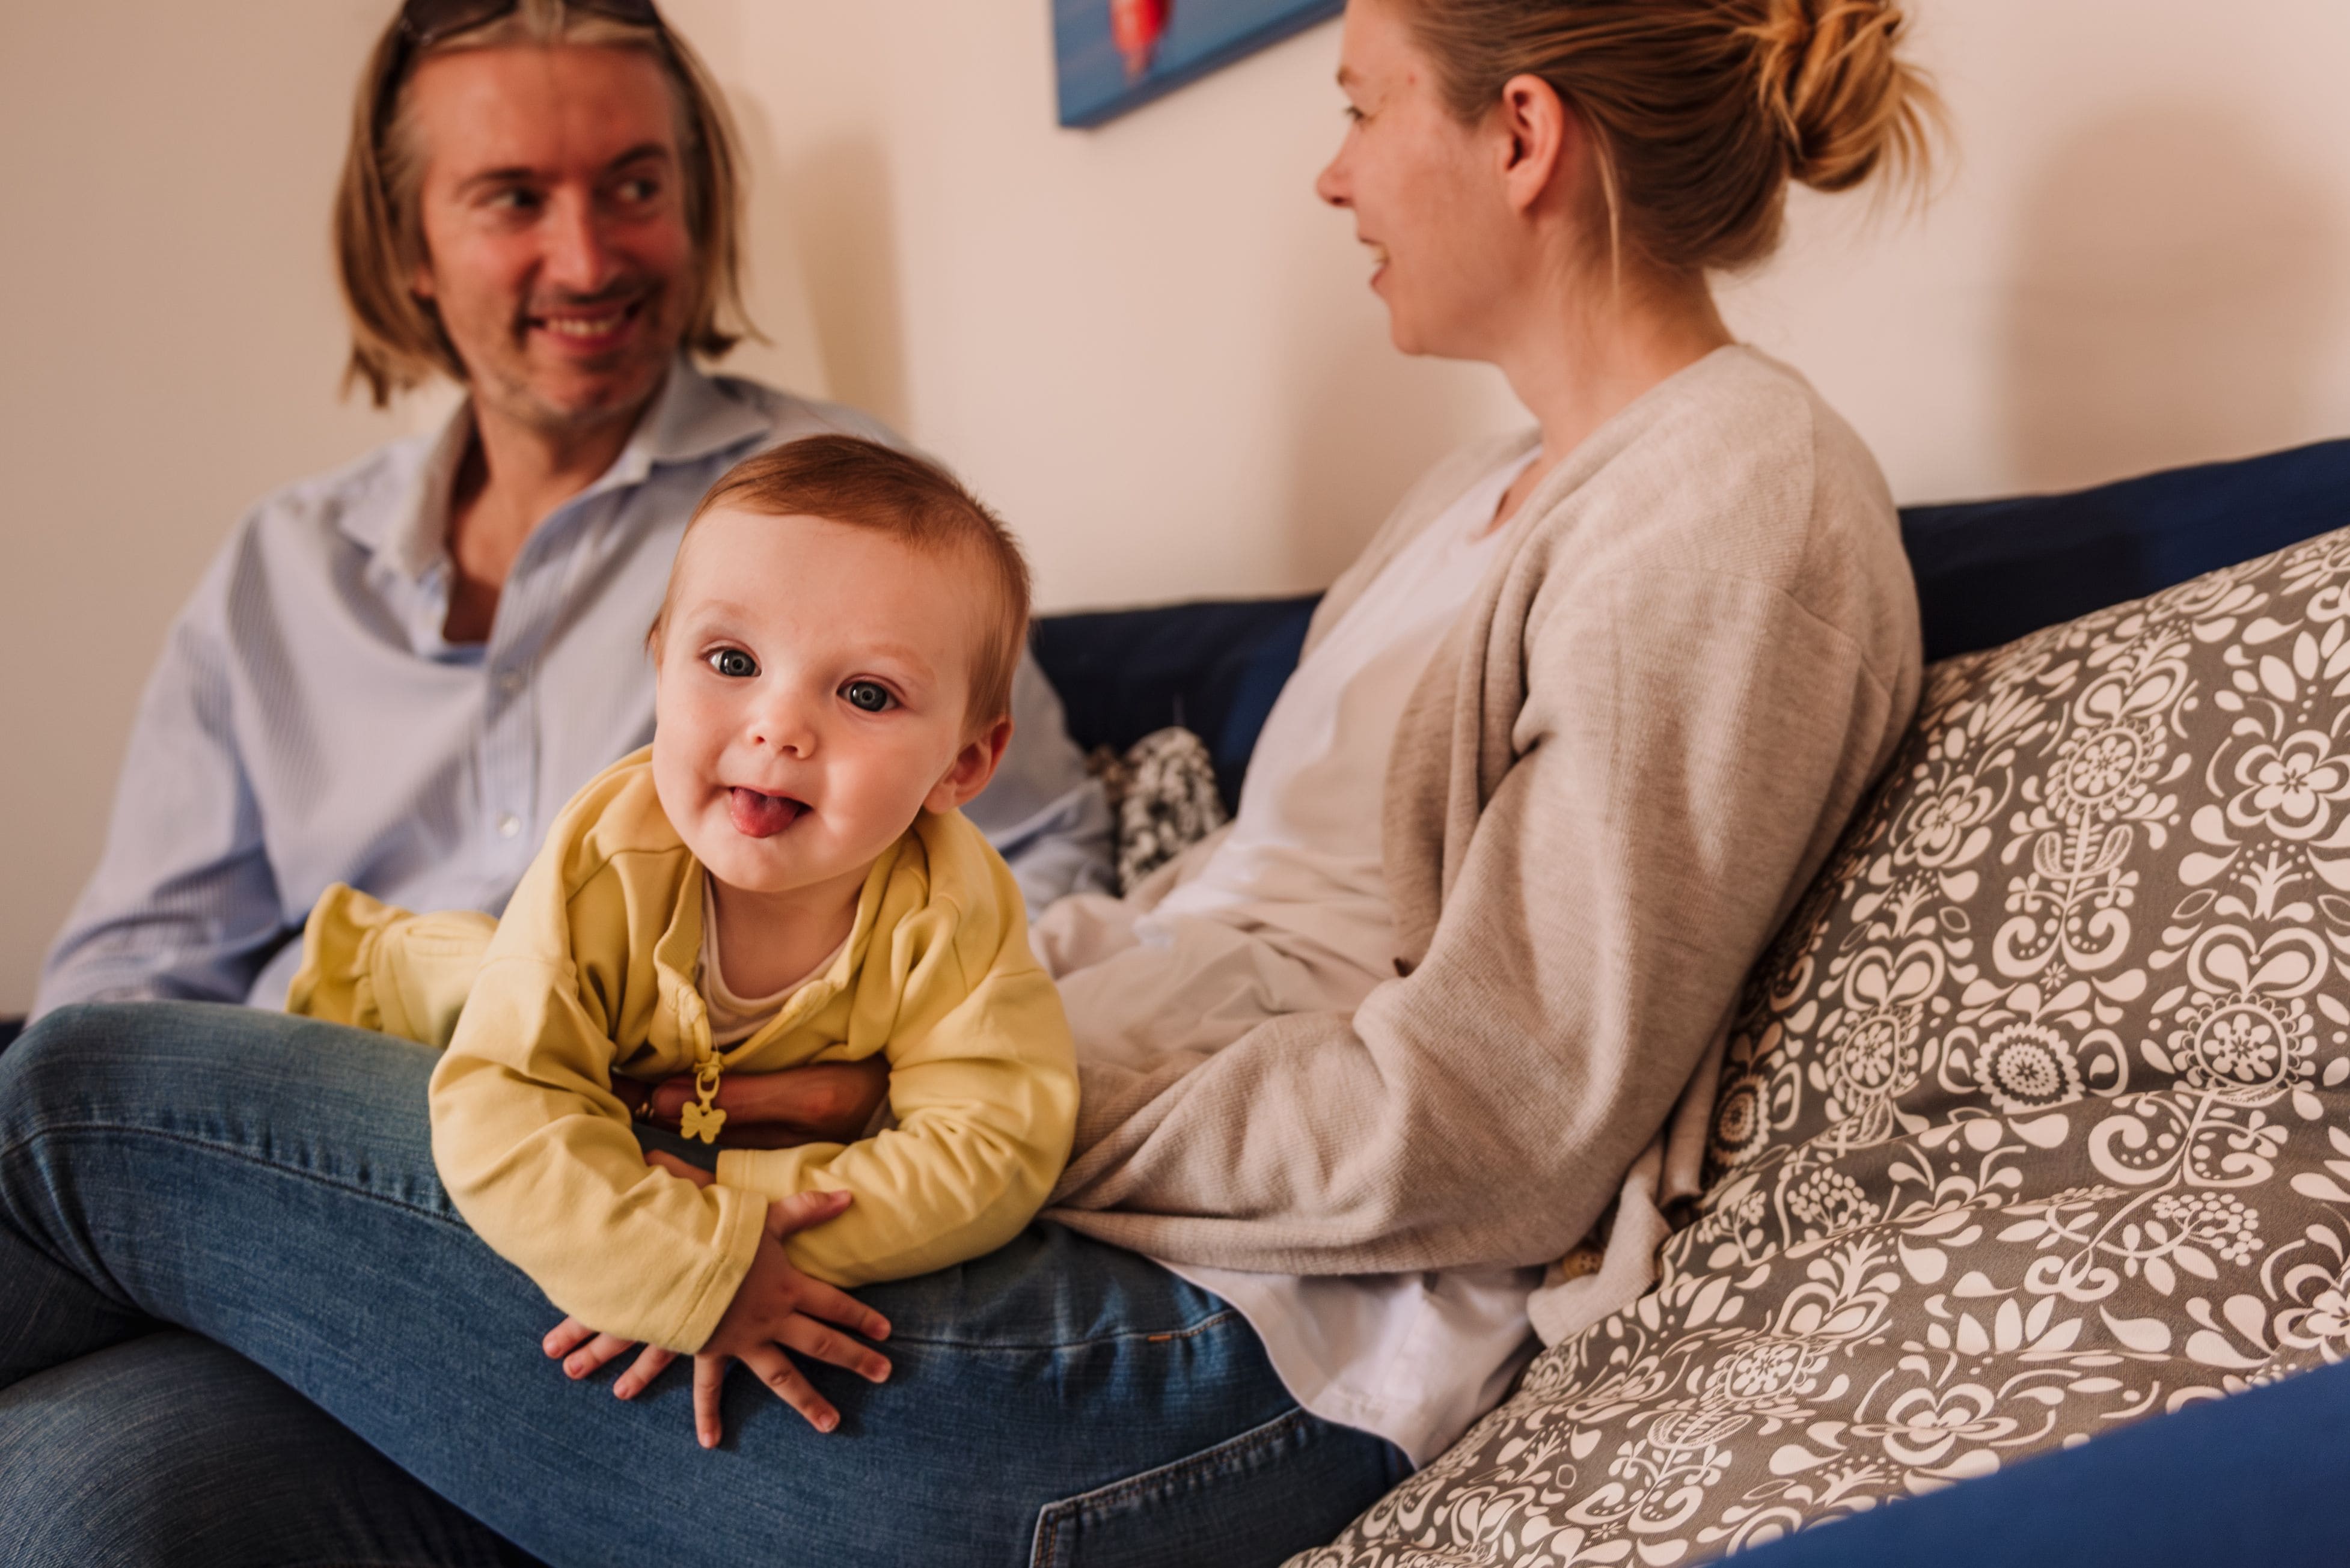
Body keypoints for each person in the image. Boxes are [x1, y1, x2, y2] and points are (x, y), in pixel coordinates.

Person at [0, 0, 1937, 1562]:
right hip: (990, 1220)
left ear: (1515, 137)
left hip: (1240, 1346)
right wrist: (834, 1093)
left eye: (1358, 104)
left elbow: (1501, 1118)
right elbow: (1186, 929)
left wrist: (943, 1110)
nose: (1332, 169)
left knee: (83, 1092)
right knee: (103, 1486)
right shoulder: (1468, 495)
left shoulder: (1728, 499)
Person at [29, 0, 1112, 1030]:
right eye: (513, 198)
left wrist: (827, 1052)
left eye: (634, 187)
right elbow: (122, 982)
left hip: (641, 1123)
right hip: (295, 1105)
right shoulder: (282, 568)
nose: (588, 261)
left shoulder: (859, 510)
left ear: (695, 204)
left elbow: (1046, 853)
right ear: (409, 244)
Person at [292, 436, 1078, 1450]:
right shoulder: (605, 861)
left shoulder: (953, 906)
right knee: (467, 1006)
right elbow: (505, 1109)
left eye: (867, 694)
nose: (779, 726)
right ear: (661, 660)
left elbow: (994, 1146)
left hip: (685, 1126)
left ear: (963, 764)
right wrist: (681, 1269)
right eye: (732, 663)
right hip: (413, 1022)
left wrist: (739, 1219)